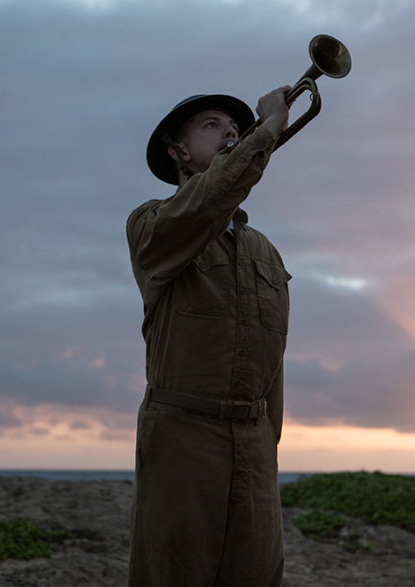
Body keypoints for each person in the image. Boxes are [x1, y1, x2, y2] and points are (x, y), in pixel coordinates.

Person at [125, 86, 292, 587]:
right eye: (212, 126)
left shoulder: (266, 251)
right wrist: (262, 136)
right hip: (182, 439)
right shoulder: (151, 222)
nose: (230, 133)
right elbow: (204, 204)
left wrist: (266, 444)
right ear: (178, 152)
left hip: (256, 446)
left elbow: (273, 367)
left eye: (235, 128)